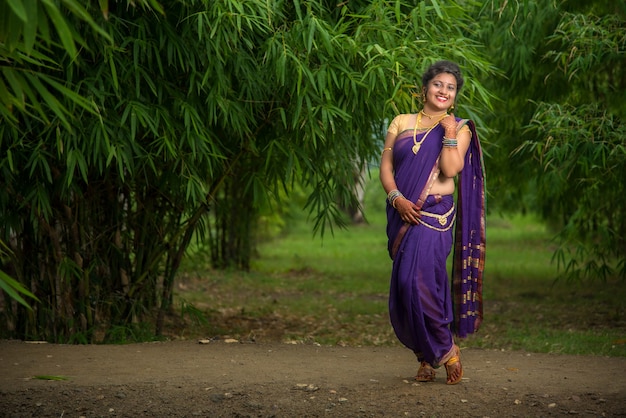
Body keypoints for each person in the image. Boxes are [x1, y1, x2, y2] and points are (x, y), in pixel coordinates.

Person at [379, 60, 486, 385]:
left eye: (450, 88)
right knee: (404, 287)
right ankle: (425, 358)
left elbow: (451, 169)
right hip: (402, 211)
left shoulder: (459, 126)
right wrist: (396, 197)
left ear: (454, 98)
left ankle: (446, 350)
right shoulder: (401, 121)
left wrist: (450, 133)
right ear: (425, 88)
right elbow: (386, 167)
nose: (443, 90)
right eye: (438, 84)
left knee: (420, 283)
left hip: (435, 215)